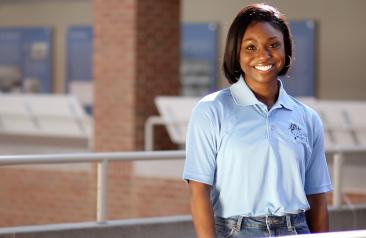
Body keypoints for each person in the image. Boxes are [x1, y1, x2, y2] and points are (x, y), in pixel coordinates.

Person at [183, 3, 332, 238]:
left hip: (297, 230)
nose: (263, 55)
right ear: (236, 53)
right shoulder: (211, 110)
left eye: (273, 45)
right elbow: (199, 191)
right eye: (250, 47)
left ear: (286, 50)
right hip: (236, 231)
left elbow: (317, 195)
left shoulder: (307, 117)